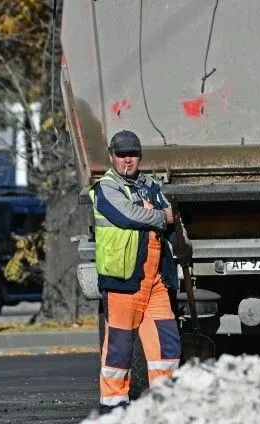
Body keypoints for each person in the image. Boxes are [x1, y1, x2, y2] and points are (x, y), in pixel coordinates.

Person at [89, 129, 191, 413]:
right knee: (120, 348)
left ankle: (165, 405)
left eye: (132, 154)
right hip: (123, 280)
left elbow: (174, 219)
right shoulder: (105, 188)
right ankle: (113, 407)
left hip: (155, 280)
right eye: (121, 155)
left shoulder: (151, 186)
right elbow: (127, 215)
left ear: (139, 157)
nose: (127, 160)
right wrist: (160, 216)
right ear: (111, 157)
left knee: (167, 343)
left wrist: (182, 240)